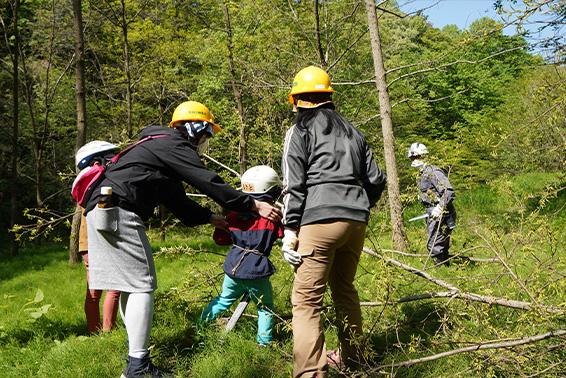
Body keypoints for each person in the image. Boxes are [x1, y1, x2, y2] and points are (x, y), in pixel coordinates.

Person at [83, 101, 282, 378]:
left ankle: (135, 360)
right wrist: (251, 205)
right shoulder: (173, 145)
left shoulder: (156, 147)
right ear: (196, 127)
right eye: (207, 134)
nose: (206, 141)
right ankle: (138, 368)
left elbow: (176, 200)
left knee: (130, 286)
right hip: (120, 210)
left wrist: (210, 218)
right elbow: (207, 181)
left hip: (100, 210)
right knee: (142, 285)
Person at [281, 66, 387, 377]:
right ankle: (355, 359)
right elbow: (376, 179)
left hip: (318, 221)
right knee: (344, 290)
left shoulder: (298, 131)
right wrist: (359, 205)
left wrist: (289, 230)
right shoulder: (353, 131)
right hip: (356, 221)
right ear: (329, 97)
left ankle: (311, 373)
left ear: (298, 100)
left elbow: (294, 185)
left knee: (306, 301)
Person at [200, 165, 284, 346]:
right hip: (256, 271)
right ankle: (264, 343)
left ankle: (200, 328)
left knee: (223, 300)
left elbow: (220, 239)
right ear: (271, 190)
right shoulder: (272, 216)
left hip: (233, 268)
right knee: (265, 308)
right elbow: (283, 235)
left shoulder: (233, 214)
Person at [75, 141, 121, 334]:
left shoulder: (87, 182)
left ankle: (95, 330)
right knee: (112, 287)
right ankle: (106, 331)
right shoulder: (102, 182)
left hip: (88, 243)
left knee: (95, 291)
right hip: (98, 241)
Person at [407, 142, 456, 266]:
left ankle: (439, 269)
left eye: (416, 157)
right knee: (440, 241)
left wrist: (440, 208)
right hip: (432, 211)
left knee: (435, 242)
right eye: (412, 158)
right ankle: (445, 266)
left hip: (442, 212)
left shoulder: (433, 171)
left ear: (424, 156)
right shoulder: (421, 174)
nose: (414, 160)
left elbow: (448, 191)